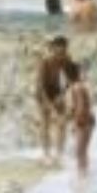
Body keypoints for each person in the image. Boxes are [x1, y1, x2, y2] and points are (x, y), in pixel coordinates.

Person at [36, 37, 73, 166]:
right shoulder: (45, 63)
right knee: (45, 122)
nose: (60, 56)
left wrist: (62, 96)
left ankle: (59, 153)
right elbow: (41, 87)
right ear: (52, 50)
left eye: (63, 52)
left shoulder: (67, 61)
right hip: (43, 93)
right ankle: (46, 154)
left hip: (57, 92)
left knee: (62, 123)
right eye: (57, 53)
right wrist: (49, 105)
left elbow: (71, 82)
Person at [67, 62, 95, 177]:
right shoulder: (84, 87)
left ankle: (81, 175)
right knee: (83, 150)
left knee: (79, 151)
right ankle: (85, 172)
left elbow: (80, 106)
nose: (85, 74)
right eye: (82, 72)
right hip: (89, 120)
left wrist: (75, 123)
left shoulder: (77, 87)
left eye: (84, 72)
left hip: (82, 120)